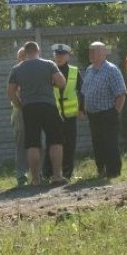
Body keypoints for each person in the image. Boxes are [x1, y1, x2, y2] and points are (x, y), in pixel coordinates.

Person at [7, 41, 67, 186]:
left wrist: (20, 105)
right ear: (38, 50)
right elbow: (61, 83)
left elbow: (10, 91)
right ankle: (57, 176)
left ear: (25, 52)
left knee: (32, 143)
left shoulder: (16, 69)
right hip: (48, 106)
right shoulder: (48, 64)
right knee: (55, 141)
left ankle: (35, 179)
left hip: (29, 108)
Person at [81, 41, 126, 178]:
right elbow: (85, 91)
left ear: (103, 53)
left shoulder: (112, 70)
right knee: (97, 143)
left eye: (94, 51)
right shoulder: (89, 70)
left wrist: (115, 112)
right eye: (90, 50)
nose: (91, 53)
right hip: (93, 115)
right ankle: (101, 169)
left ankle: (113, 171)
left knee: (110, 143)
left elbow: (121, 94)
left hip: (107, 113)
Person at [43, 43, 83, 180]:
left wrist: (82, 109)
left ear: (68, 57)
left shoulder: (74, 71)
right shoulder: (48, 71)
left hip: (70, 115)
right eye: (57, 55)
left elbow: (82, 91)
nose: (59, 57)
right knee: (51, 144)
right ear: (53, 56)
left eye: (62, 55)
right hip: (52, 115)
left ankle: (67, 173)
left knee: (69, 144)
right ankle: (48, 173)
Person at [9, 47, 30, 186]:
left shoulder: (36, 70)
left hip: (35, 110)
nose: (21, 60)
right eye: (20, 58)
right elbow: (12, 92)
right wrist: (21, 107)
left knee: (40, 142)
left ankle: (38, 173)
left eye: (24, 57)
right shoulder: (16, 71)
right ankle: (21, 174)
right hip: (20, 111)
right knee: (21, 143)